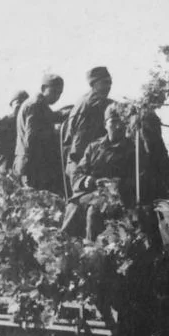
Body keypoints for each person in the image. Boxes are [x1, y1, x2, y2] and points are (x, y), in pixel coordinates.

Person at [61, 103, 135, 240]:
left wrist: (116, 184)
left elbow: (137, 179)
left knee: (94, 212)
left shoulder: (132, 150)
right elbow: (77, 174)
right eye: (113, 122)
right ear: (105, 125)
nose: (118, 126)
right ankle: (63, 249)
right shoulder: (94, 147)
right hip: (91, 193)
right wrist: (86, 180)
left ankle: (94, 253)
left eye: (121, 122)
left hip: (119, 198)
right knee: (74, 207)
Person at [13, 73, 66, 194]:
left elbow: (50, 117)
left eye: (60, 93)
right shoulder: (36, 106)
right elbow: (32, 139)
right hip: (32, 167)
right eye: (54, 92)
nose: (57, 96)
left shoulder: (38, 104)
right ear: (43, 88)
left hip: (29, 164)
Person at [62, 66, 113, 182]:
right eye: (105, 83)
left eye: (110, 83)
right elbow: (79, 144)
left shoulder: (87, 100)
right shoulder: (93, 103)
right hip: (80, 164)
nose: (109, 87)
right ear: (94, 84)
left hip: (78, 162)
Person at [0, 90, 28, 172]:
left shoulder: (27, 122)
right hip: (5, 163)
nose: (21, 106)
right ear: (11, 105)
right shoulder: (5, 121)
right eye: (18, 103)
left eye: (23, 103)